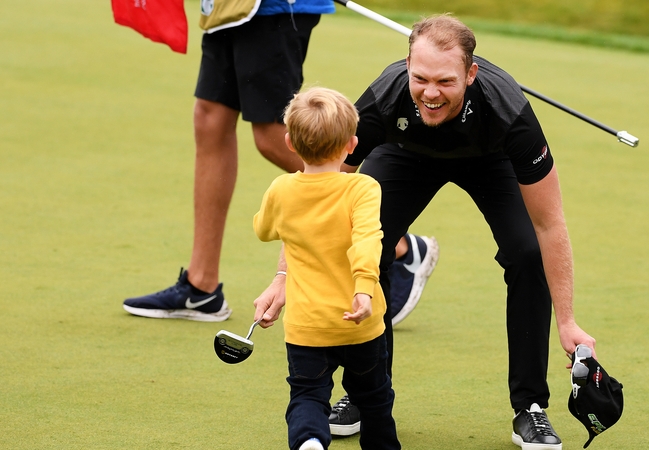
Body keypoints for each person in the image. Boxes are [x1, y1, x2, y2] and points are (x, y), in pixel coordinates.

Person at [258, 14, 597, 450]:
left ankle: (530, 407)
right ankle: (365, 393)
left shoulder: (510, 113)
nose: (430, 93)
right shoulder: (385, 97)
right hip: (405, 154)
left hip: (488, 160)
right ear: (406, 65)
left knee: (527, 252)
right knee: (366, 243)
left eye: (445, 81)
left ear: (471, 74)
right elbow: (315, 194)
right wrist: (283, 276)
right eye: (420, 78)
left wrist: (567, 320)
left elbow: (550, 224)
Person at [121, 0, 438, 325]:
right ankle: (201, 287)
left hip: (273, 7)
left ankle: (397, 246)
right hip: (227, 8)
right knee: (211, 116)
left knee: (274, 134)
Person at [253, 87, 401, 450]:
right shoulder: (363, 188)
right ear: (352, 144)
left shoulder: (281, 189)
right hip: (361, 322)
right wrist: (364, 289)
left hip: (307, 326)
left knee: (307, 396)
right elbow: (368, 240)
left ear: (289, 142)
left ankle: (309, 443)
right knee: (375, 399)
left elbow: (263, 229)